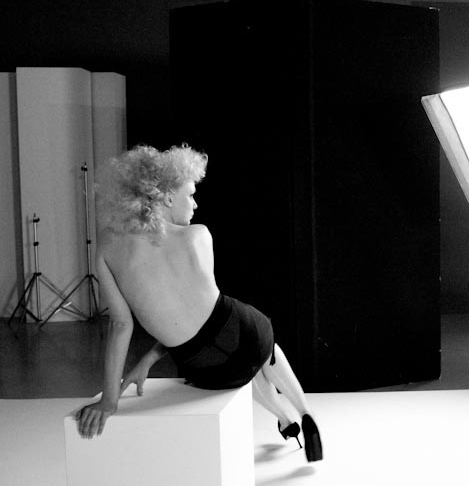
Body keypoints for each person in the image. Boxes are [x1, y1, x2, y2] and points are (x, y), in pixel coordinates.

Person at [74, 144, 322, 463]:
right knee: (262, 352)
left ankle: (286, 421)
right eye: (190, 194)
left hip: (205, 367)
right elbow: (208, 317)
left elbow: (123, 325)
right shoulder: (198, 236)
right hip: (246, 332)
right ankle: (305, 412)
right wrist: (149, 359)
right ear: (166, 198)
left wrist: (110, 400)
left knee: (242, 370)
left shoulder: (108, 246)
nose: (195, 203)